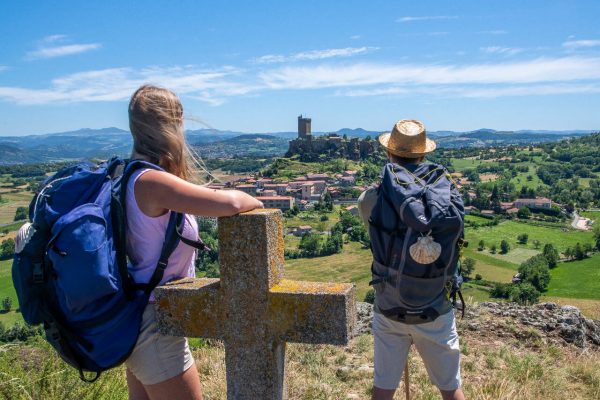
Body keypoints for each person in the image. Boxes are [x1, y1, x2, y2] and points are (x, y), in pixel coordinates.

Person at [124, 85, 263, 400]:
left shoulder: (126, 175)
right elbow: (228, 204)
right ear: (171, 126)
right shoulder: (153, 182)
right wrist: (254, 200)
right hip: (155, 326)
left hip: (136, 320)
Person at [358, 120, 465, 400]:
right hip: (436, 308)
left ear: (388, 154)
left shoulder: (370, 200)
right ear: (423, 154)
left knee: (383, 388)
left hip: (389, 305)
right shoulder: (447, 198)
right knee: (451, 389)